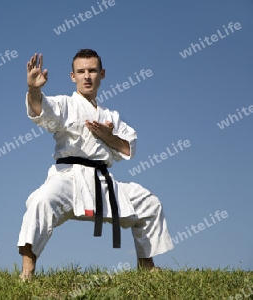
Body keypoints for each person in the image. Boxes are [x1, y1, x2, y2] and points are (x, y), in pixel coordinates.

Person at [17, 49, 174, 280]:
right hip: (68, 177)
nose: (87, 76)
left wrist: (107, 136)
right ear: (73, 76)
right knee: (41, 201)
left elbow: (128, 148)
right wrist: (34, 89)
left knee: (148, 202)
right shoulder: (65, 104)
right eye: (81, 72)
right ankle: (27, 270)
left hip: (102, 181)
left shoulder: (112, 116)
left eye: (92, 71)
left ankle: (146, 265)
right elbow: (41, 111)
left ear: (102, 74)